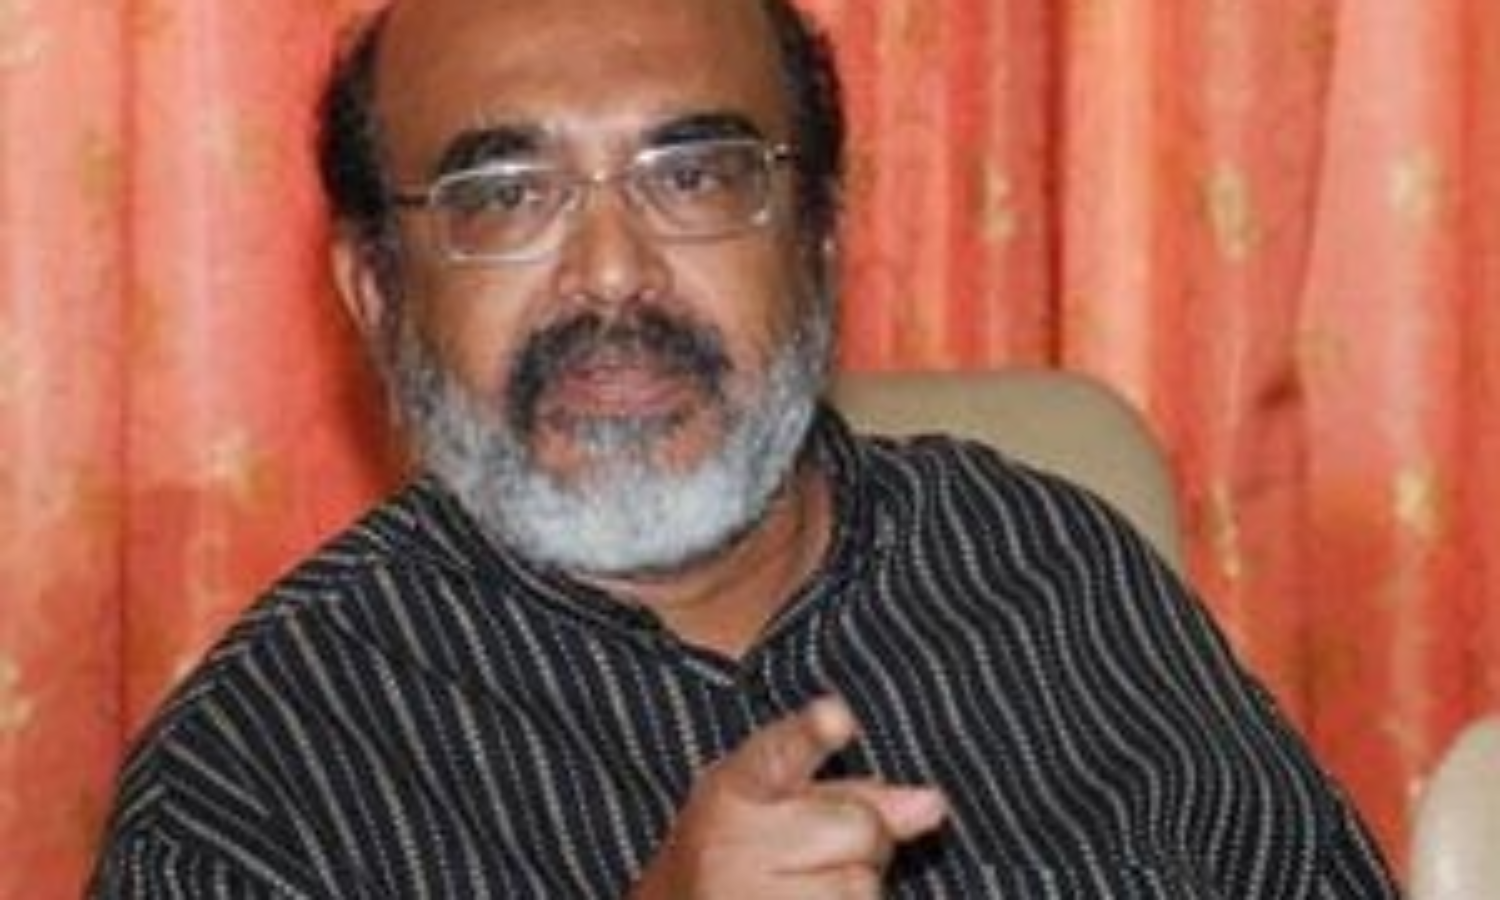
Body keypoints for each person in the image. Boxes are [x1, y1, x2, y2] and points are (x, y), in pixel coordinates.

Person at [89, 0, 1402, 895]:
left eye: (695, 176)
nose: (612, 275)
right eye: (508, 196)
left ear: (820, 241)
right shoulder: (253, 789)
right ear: (378, 291)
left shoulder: (1053, 564)